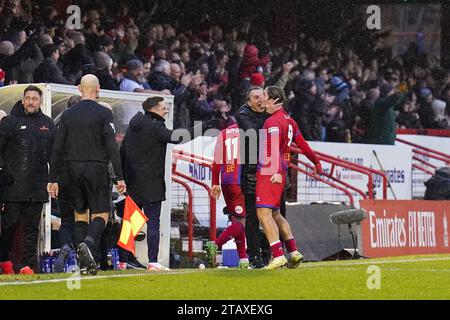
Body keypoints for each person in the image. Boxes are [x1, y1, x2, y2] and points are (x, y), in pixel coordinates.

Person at [120, 96, 213, 271]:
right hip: (151, 183)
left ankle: (123, 260)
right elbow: (176, 137)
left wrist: (122, 178)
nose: (166, 110)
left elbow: (122, 152)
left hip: (133, 182)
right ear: (154, 109)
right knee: (153, 221)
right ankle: (153, 261)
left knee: (130, 222)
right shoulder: (155, 127)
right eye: (163, 107)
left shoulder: (133, 128)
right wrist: (201, 127)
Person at [47, 74, 126, 275]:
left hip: (71, 170)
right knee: (101, 214)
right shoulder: (103, 113)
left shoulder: (68, 114)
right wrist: (119, 177)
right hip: (96, 168)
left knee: (80, 215)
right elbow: (111, 147)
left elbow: (57, 148)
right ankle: (88, 245)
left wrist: (53, 178)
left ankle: (84, 263)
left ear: (79, 89)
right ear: (97, 88)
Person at [256, 86, 322, 269]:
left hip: (270, 173)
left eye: (264, 96)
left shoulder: (272, 122)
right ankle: (293, 252)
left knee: (263, 213)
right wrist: (316, 163)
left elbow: (273, 149)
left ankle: (277, 255)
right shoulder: (290, 121)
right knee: (276, 214)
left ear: (274, 100)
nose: (262, 101)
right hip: (280, 173)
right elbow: (303, 145)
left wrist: (276, 171)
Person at [0, 85, 55, 275]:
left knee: (32, 228)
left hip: (37, 187)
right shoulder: (10, 122)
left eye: (34, 98)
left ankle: (27, 265)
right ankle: (4, 260)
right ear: (23, 100)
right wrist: (5, 174)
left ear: (40, 101)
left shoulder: (48, 124)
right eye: (28, 98)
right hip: (13, 187)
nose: (31, 101)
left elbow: (54, 156)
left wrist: (53, 179)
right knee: (9, 225)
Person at [234, 86, 271, 269]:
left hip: (270, 168)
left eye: (262, 97)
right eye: (256, 97)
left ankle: (272, 253)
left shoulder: (270, 113)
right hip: (251, 169)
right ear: (249, 101)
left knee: (273, 213)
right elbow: (254, 134)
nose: (261, 100)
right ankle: (255, 257)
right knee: (252, 214)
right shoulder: (242, 114)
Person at [206, 123, 249, 269]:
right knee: (241, 223)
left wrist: (215, 183)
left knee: (236, 221)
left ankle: (243, 260)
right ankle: (215, 244)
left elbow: (216, 159)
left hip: (226, 181)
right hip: (239, 182)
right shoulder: (249, 131)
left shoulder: (224, 132)